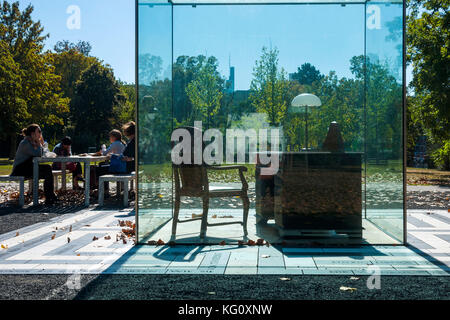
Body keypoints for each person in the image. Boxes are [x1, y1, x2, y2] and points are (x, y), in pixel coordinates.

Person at [11, 124, 58, 205]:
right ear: (32, 134)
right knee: (47, 170)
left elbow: (42, 153)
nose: (40, 133)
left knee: (48, 169)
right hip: (19, 170)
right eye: (39, 131)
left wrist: (39, 143)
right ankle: (49, 197)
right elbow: (39, 154)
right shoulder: (25, 143)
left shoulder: (32, 142)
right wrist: (39, 142)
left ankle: (50, 196)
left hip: (27, 167)